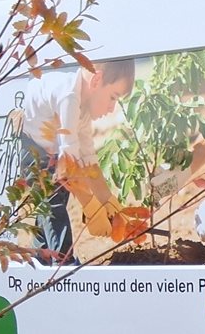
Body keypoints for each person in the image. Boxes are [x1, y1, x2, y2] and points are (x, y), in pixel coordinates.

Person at [19, 61, 134, 260]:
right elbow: (68, 171)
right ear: (96, 79)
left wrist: (108, 202)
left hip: (51, 150)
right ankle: (64, 263)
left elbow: (88, 160)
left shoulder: (82, 107)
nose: (112, 107)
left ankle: (41, 256)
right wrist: (91, 207)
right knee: (53, 200)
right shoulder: (69, 98)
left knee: (54, 199)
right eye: (112, 98)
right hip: (32, 148)